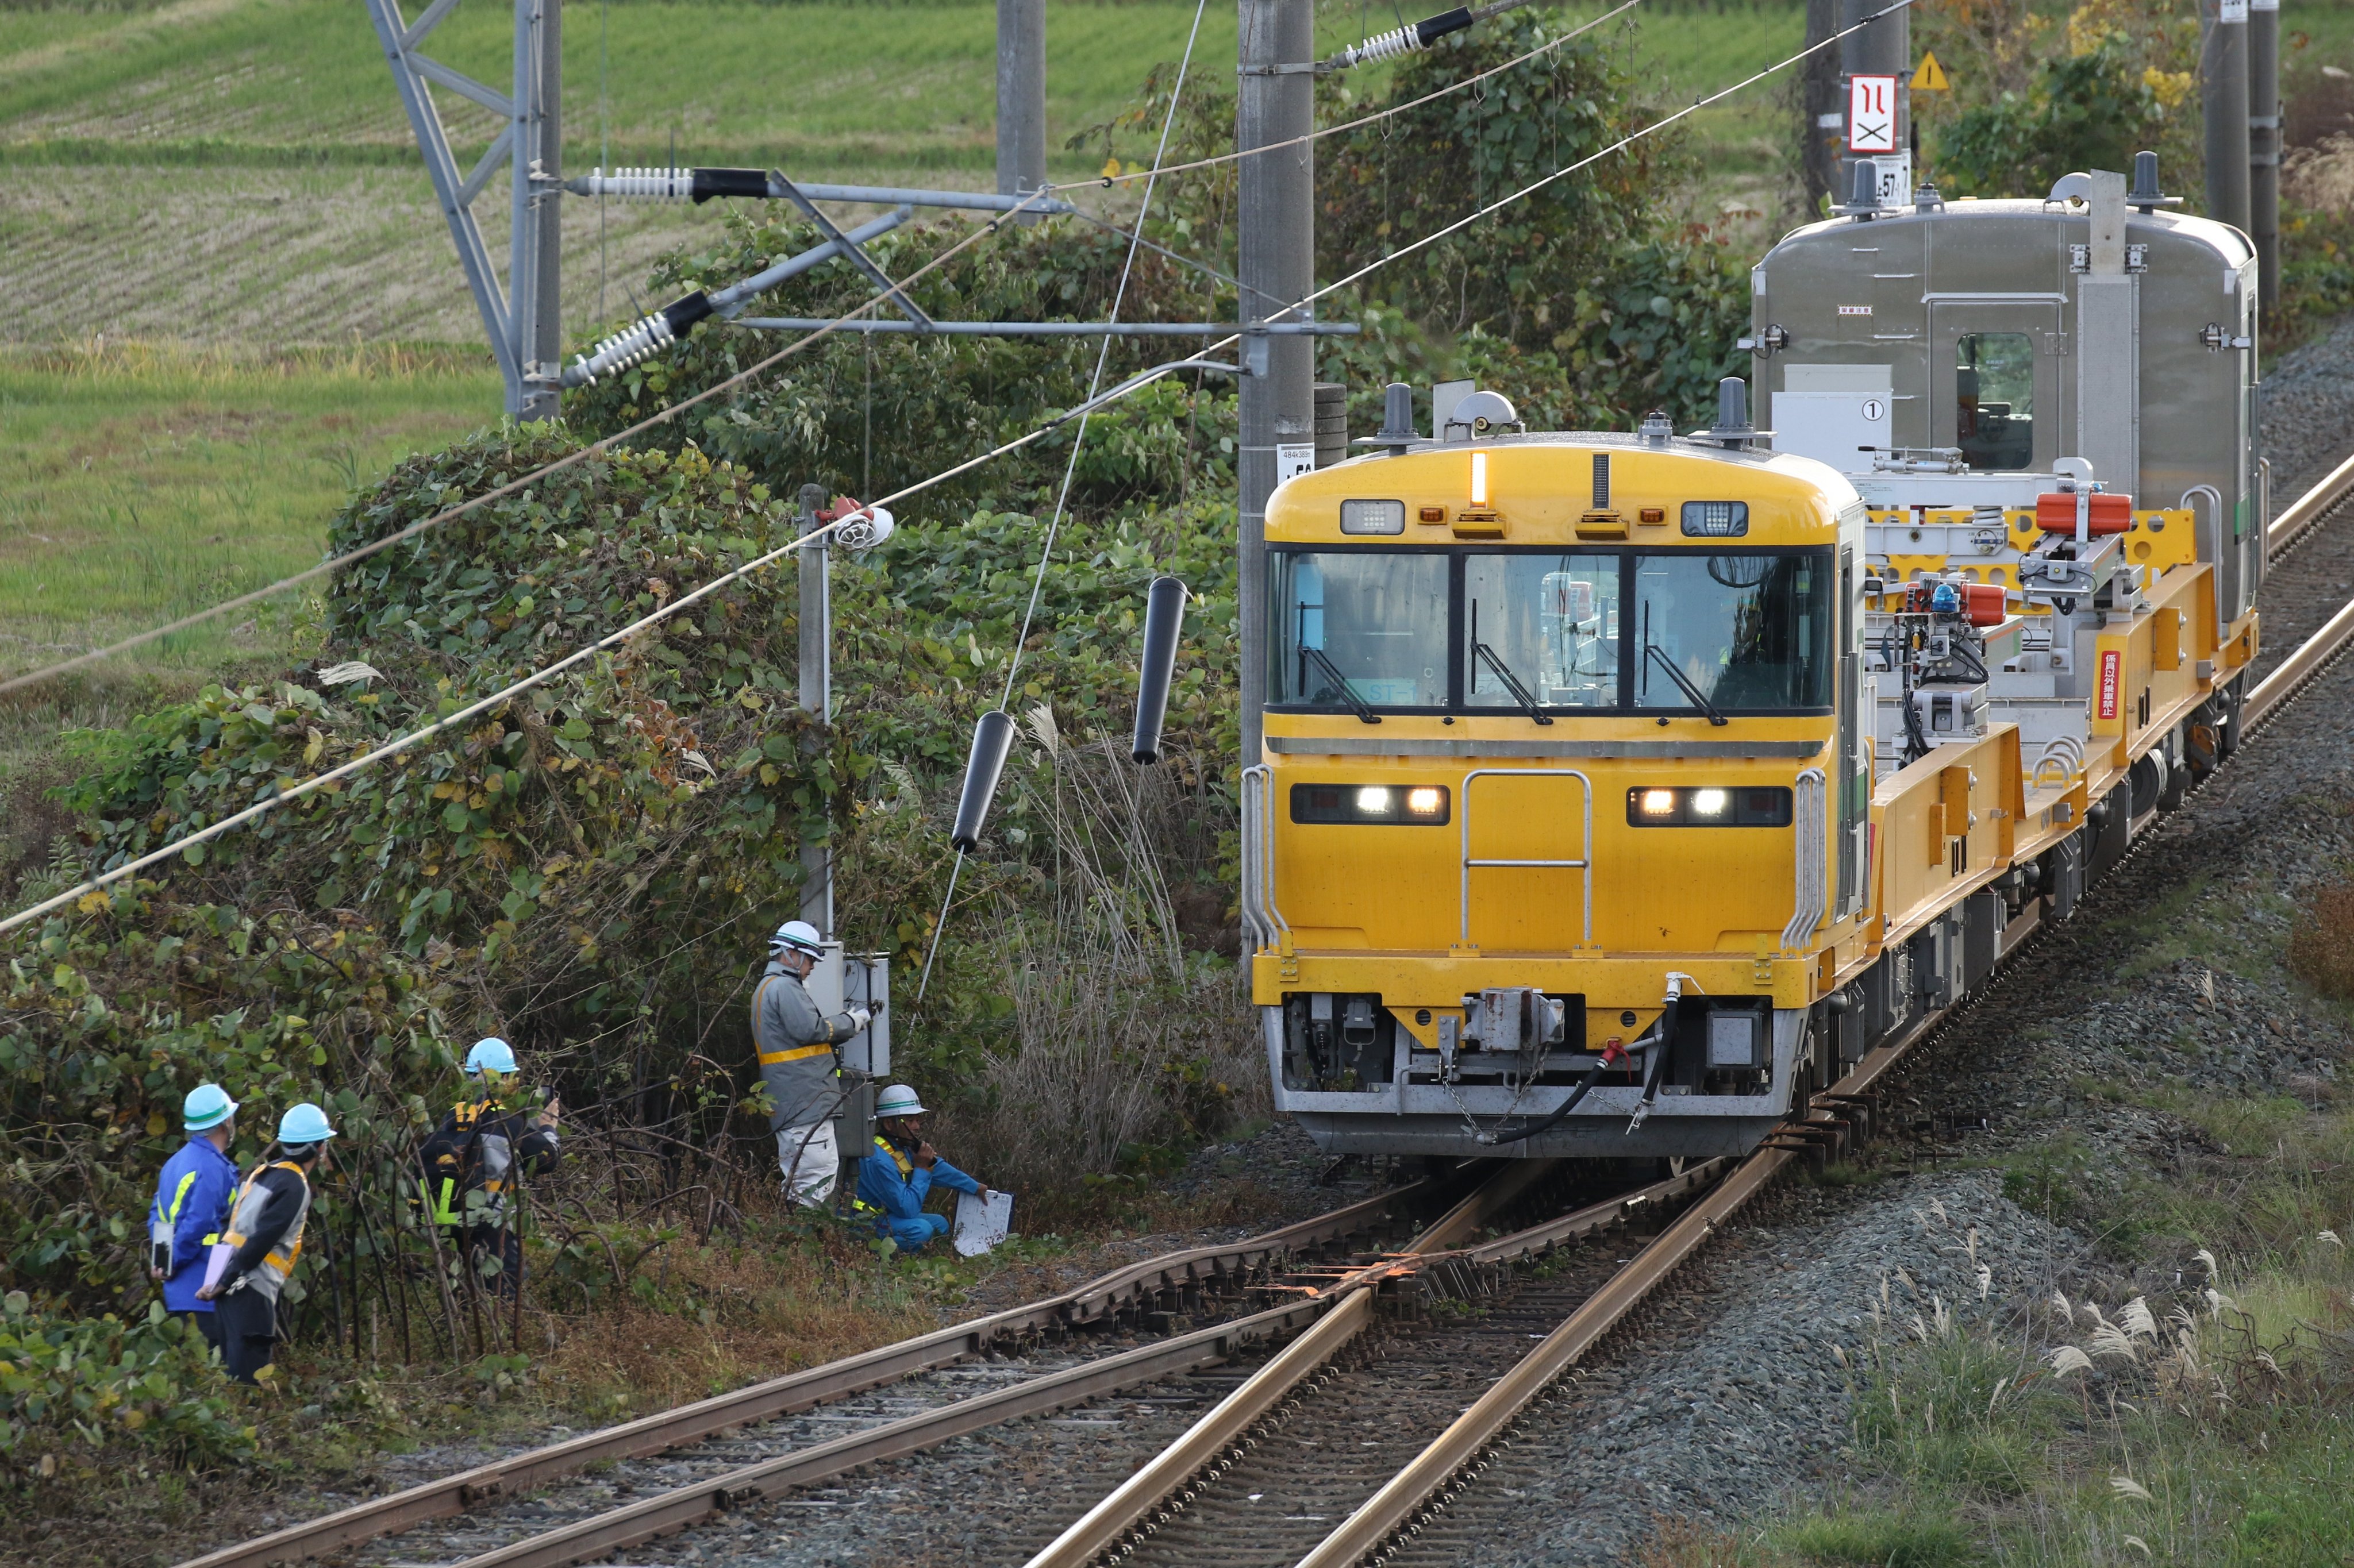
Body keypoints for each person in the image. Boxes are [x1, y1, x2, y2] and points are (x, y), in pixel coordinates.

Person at [198, 1103, 334, 1384]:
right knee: (250, 1376)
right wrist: (226, 1280)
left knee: (227, 1374)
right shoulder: (295, 1186)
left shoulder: (260, 1173)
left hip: (228, 1287)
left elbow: (227, 1227)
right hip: (252, 1288)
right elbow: (263, 1239)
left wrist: (216, 1279)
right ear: (318, 1149)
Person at [420, 1037, 561, 1301]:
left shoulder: (450, 1120)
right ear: (505, 1080)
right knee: (504, 1294)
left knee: (462, 1296)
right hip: (493, 1225)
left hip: (449, 1225)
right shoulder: (509, 1123)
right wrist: (548, 1127)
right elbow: (548, 1159)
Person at [752, 920, 870, 1208]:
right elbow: (811, 1030)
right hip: (804, 1099)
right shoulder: (784, 988)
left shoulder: (768, 987)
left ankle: (791, 1242)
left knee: (801, 1179)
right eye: (811, 959)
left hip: (793, 1101)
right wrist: (850, 1022)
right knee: (818, 1176)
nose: (813, 967)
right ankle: (802, 1244)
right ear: (791, 954)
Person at [148, 1083, 241, 1353]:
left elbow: (157, 1215)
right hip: (205, 1289)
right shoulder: (211, 1167)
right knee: (212, 1377)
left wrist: (163, 1260)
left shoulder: (175, 1163)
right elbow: (198, 1224)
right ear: (225, 1123)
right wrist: (173, 1262)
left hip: (178, 1293)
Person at [856, 1084, 999, 1254]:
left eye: (918, 1119)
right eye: (910, 1120)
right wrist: (922, 1169)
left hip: (887, 1217)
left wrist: (974, 1187)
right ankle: (871, 1253)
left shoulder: (900, 1146)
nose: (917, 1126)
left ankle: (913, 1253)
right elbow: (908, 1209)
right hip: (865, 1223)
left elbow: (937, 1167)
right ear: (889, 1124)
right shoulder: (878, 1159)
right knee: (921, 1230)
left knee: (940, 1224)